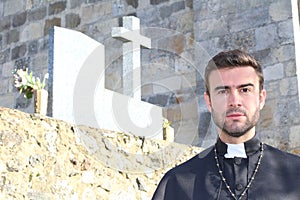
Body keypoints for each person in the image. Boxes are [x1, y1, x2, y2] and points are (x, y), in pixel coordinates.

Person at [152, 49, 300, 200]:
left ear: (261, 99)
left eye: (245, 90)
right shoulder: (177, 183)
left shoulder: (297, 173)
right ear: (209, 102)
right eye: (223, 91)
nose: (234, 101)